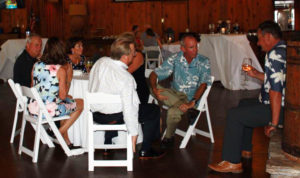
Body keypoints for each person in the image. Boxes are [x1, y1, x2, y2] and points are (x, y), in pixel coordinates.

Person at [208, 21, 286, 173]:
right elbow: (277, 79)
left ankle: (232, 161)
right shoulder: (284, 49)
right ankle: (245, 149)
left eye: (259, 38)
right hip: (282, 105)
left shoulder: (274, 55)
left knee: (234, 115)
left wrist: (273, 123)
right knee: (244, 103)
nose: (258, 43)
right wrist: (256, 74)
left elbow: (276, 91)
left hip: (279, 108)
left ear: (268, 36)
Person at [88, 33, 164, 159]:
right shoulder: (126, 78)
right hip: (113, 117)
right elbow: (130, 110)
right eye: (133, 52)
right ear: (124, 56)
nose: (134, 54)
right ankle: (146, 150)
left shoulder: (100, 62)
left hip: (96, 114)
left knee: (117, 105)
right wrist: (134, 134)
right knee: (153, 110)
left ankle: (108, 144)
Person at [149, 34, 212, 148]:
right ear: (183, 49)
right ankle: (188, 111)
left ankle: (169, 138)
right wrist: (154, 88)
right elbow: (155, 74)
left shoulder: (203, 61)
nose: (196, 50)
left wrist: (192, 102)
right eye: (192, 47)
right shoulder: (175, 59)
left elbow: (203, 84)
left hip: (191, 98)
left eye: (196, 46)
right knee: (150, 85)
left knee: (173, 112)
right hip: (175, 95)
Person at [27, 37, 84, 149]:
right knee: (81, 103)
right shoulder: (60, 70)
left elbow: (32, 87)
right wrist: (69, 78)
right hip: (47, 111)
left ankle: (66, 140)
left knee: (70, 98)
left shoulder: (36, 65)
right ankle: (58, 132)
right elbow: (62, 96)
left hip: (33, 108)